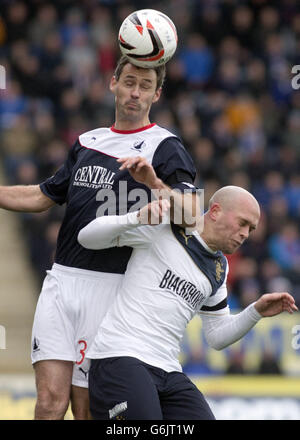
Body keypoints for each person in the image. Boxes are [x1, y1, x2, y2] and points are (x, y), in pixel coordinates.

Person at [0, 55, 197, 419]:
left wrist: (154, 183)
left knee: (87, 409)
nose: (135, 93)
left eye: (145, 86)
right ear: (113, 83)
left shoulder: (165, 146)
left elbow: (191, 212)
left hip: (113, 291)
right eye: (129, 82)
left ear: (157, 95)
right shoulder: (88, 141)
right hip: (62, 281)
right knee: (48, 402)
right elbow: (43, 195)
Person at [78, 161, 298, 420]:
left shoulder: (219, 267)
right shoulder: (164, 227)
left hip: (168, 369)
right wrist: (136, 218)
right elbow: (86, 237)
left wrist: (256, 311)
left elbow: (216, 335)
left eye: (250, 229)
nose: (245, 234)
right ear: (214, 211)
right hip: (121, 356)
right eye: (242, 223)